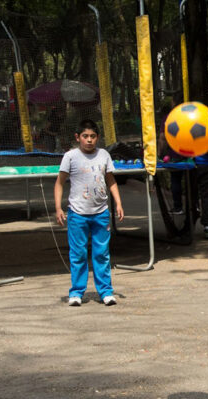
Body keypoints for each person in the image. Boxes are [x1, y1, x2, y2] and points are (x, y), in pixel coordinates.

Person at [54, 119, 124, 307]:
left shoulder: (104, 155)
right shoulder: (70, 157)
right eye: (85, 136)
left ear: (98, 138)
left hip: (100, 213)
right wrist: (58, 208)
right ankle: (77, 292)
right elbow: (59, 183)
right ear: (78, 137)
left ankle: (106, 292)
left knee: (101, 253)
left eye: (93, 136)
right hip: (77, 214)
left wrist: (118, 203)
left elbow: (111, 181)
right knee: (78, 254)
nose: (89, 140)